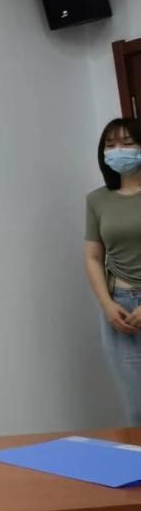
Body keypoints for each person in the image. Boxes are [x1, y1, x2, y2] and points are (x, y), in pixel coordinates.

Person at [82, 118, 141, 425]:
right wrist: (107, 304)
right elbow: (93, 256)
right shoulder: (97, 200)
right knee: (137, 408)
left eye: (127, 143)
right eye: (110, 144)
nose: (118, 150)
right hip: (120, 308)